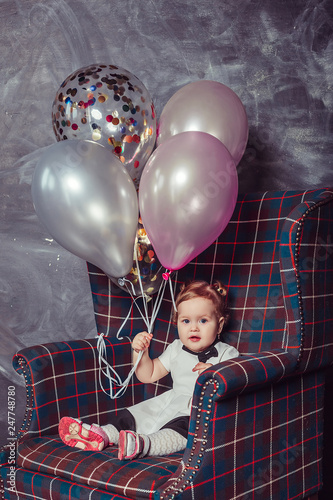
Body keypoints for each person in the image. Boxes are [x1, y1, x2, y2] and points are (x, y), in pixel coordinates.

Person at [58, 280, 239, 460]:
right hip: (170, 401)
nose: (193, 327)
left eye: (203, 320)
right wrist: (140, 353)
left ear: (220, 325)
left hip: (196, 410)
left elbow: (236, 382)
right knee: (135, 415)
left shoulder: (227, 353)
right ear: (177, 323)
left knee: (181, 429)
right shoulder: (175, 348)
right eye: (186, 321)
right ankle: (102, 434)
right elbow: (148, 375)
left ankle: (144, 444)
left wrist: (215, 374)